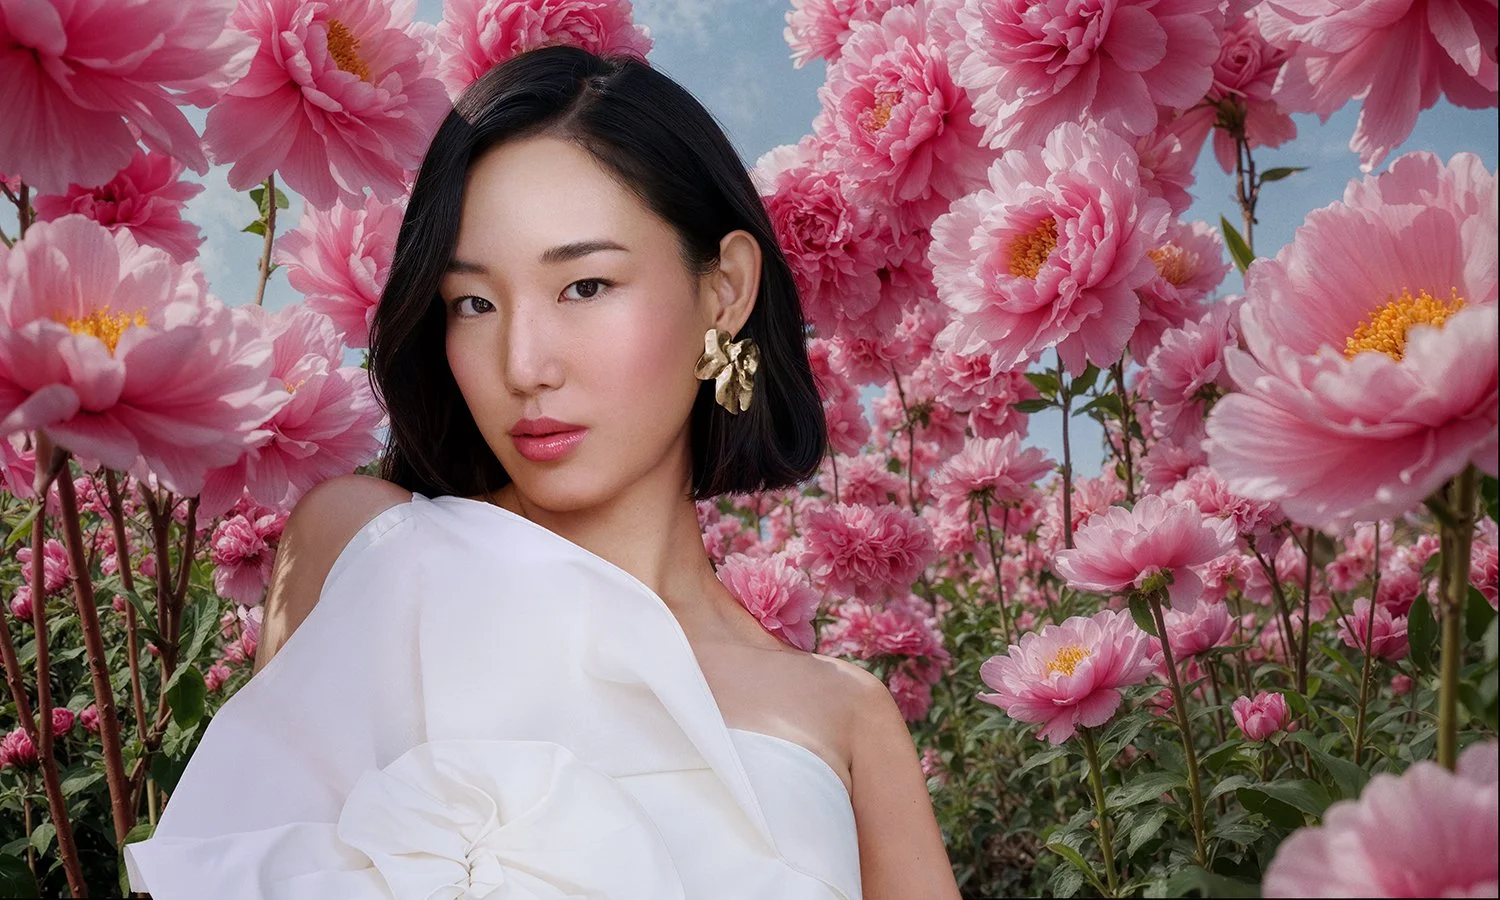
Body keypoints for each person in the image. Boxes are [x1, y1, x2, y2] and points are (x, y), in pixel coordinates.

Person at [123, 45, 960, 900]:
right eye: (474, 304)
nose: (524, 365)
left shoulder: (845, 715)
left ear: (726, 291)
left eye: (586, 286)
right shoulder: (375, 549)